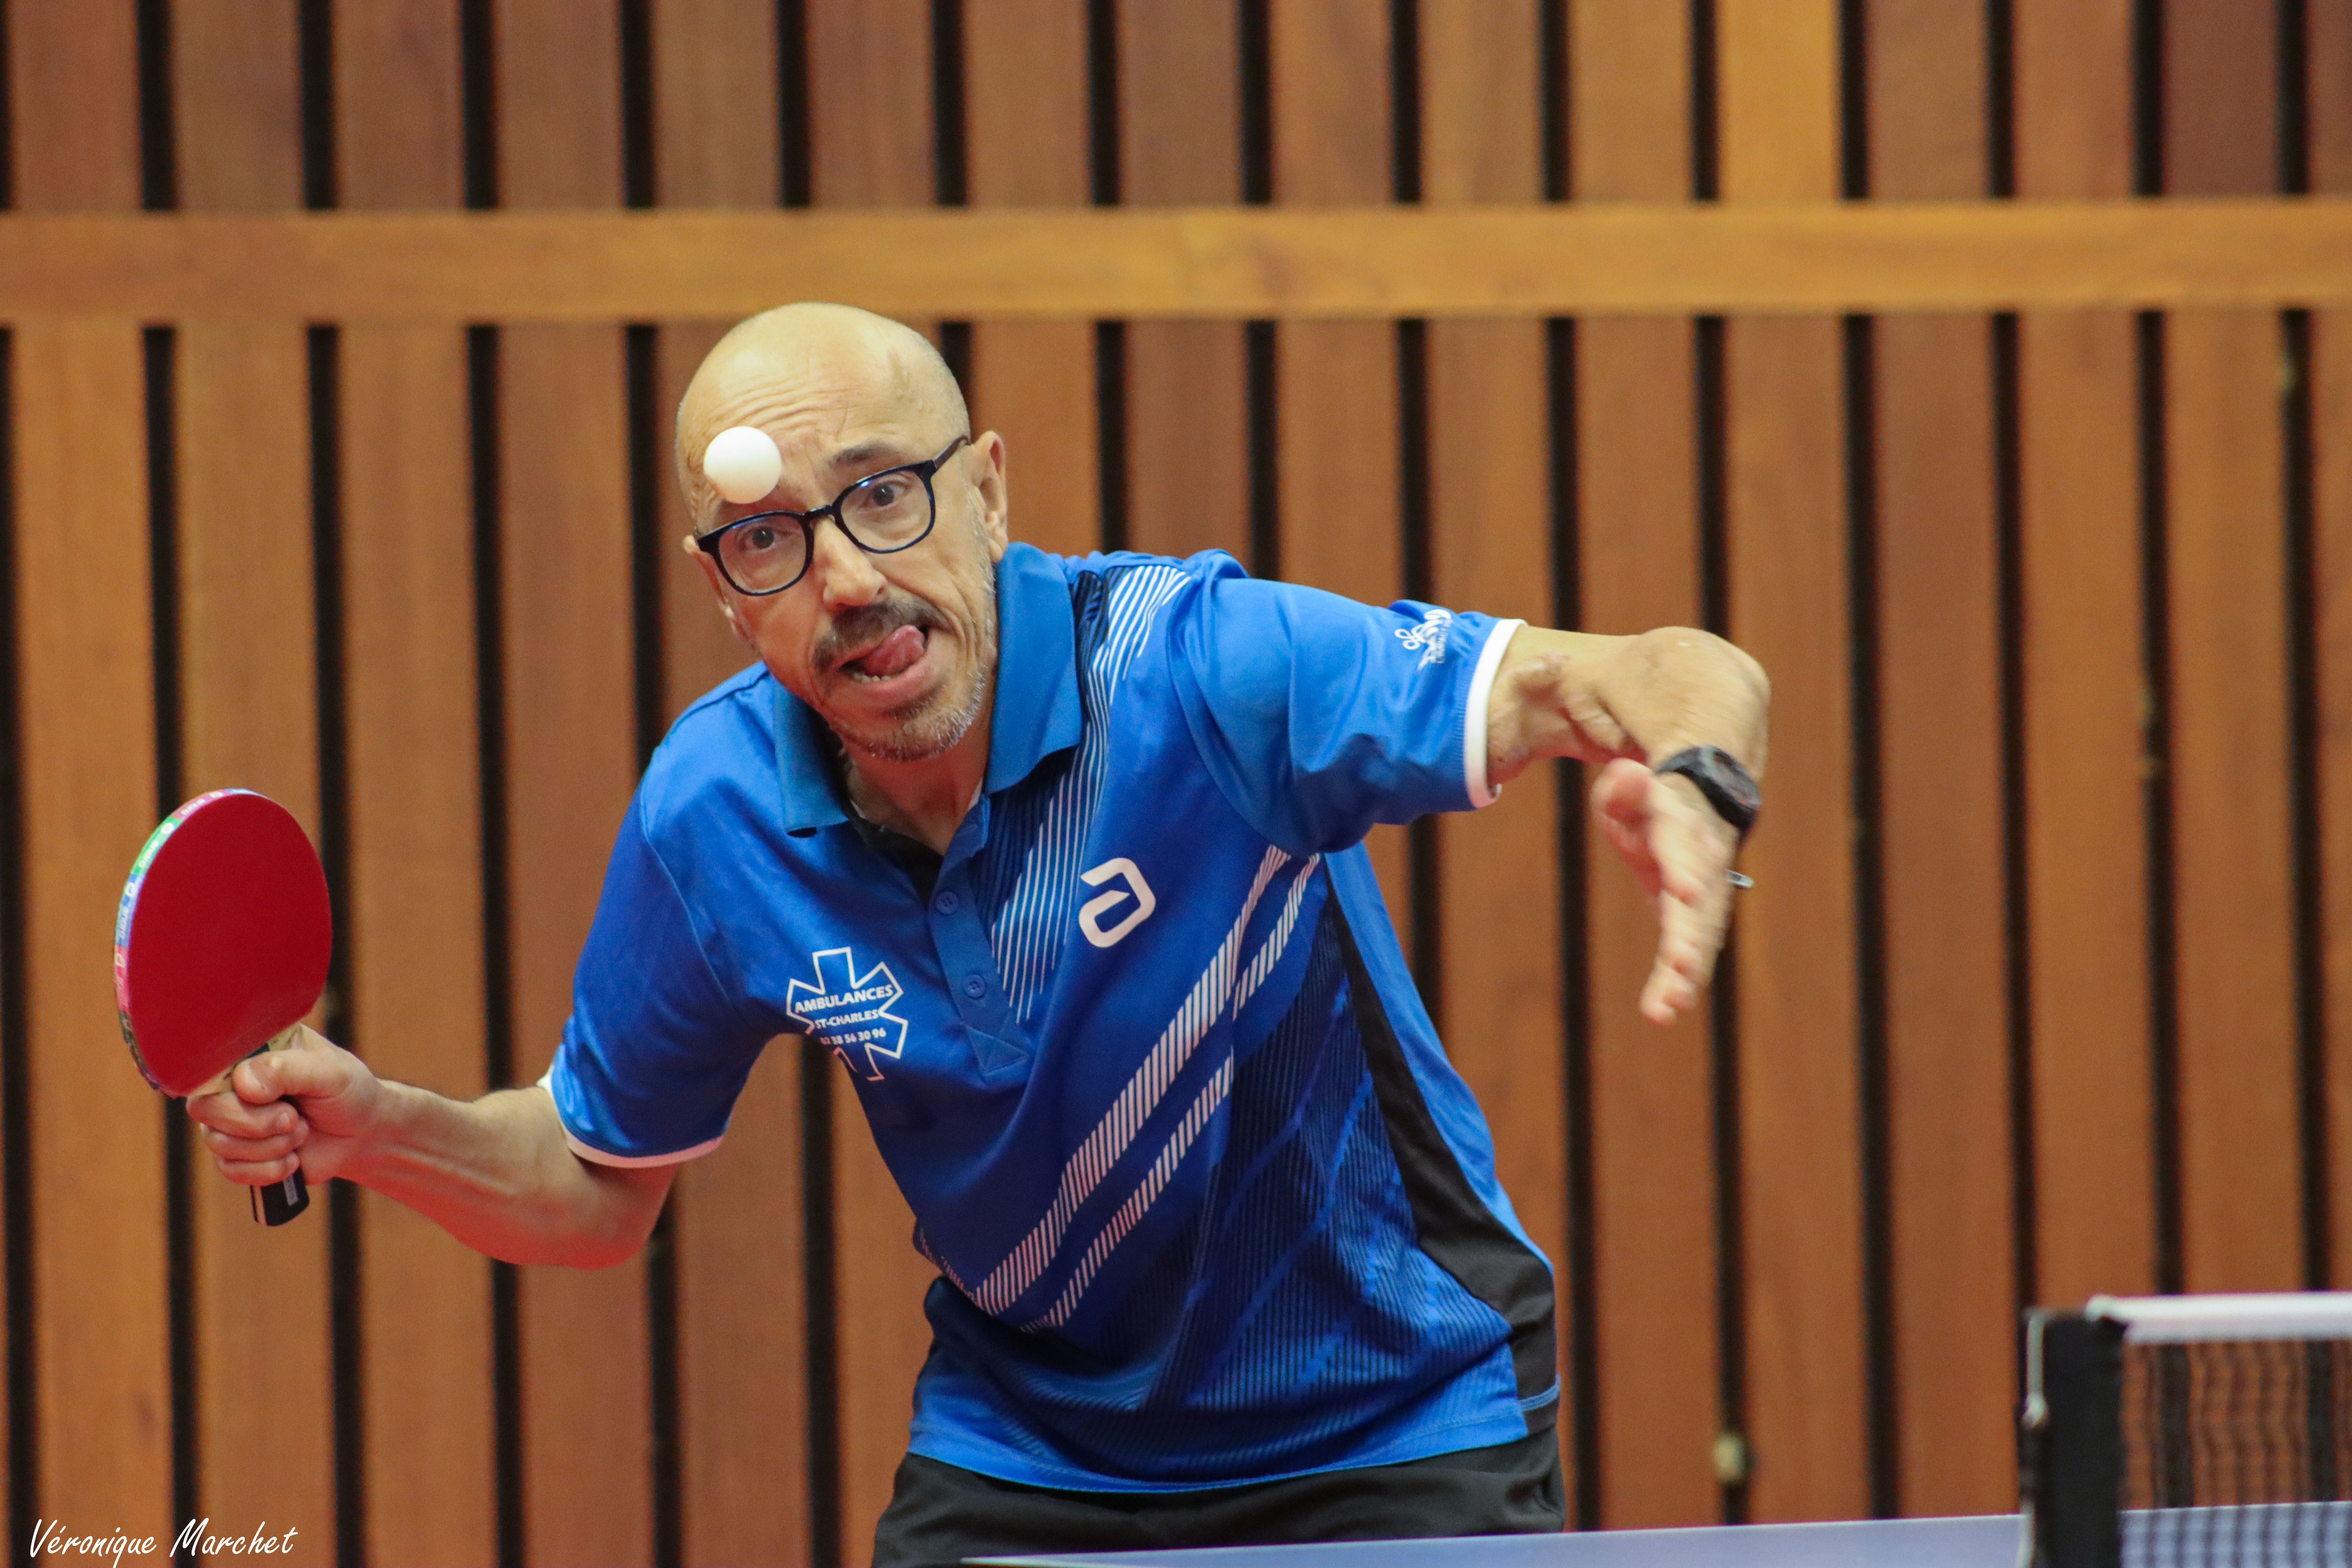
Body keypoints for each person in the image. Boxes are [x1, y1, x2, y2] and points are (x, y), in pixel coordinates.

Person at [192, 303, 1768, 1564]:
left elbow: (1647, 667)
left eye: (884, 493)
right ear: (725, 592)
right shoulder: (717, 813)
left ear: (991, 488)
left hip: (1388, 1426)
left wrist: (1695, 775)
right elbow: (600, 1181)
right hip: (1034, 1451)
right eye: (769, 541)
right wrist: (375, 1126)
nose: (848, 579)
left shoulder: (1200, 671)